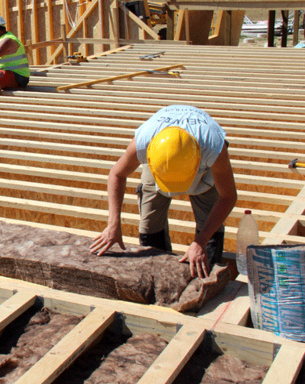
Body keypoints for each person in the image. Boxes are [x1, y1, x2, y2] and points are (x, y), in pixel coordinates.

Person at [89, 105, 237, 279]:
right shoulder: (144, 143)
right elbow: (116, 174)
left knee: (211, 227)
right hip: (161, 158)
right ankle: (160, 279)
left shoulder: (213, 148)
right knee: (149, 227)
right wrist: (113, 224)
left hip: (203, 170)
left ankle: (206, 273)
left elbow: (228, 196)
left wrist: (201, 241)